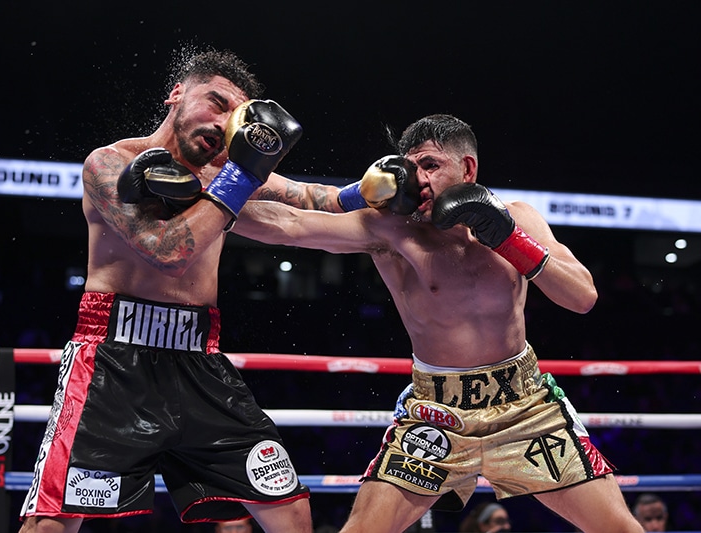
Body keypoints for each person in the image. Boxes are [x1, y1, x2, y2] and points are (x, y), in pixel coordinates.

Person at [234, 114, 645, 532]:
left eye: (430, 165)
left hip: (525, 406)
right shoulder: (391, 230)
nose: (418, 180)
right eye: (411, 168)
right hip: (434, 414)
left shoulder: (519, 217)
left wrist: (508, 240)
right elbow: (289, 224)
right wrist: (211, 197)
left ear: (467, 169)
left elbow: (583, 297)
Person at [17, 47, 352, 533]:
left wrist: (381, 191)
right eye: (215, 102)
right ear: (177, 93)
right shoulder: (108, 164)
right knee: (53, 524)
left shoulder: (226, 175)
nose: (223, 123)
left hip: (201, 362)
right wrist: (242, 177)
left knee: (290, 510)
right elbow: (167, 251)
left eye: (236, 118)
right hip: (114, 361)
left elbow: (313, 197)